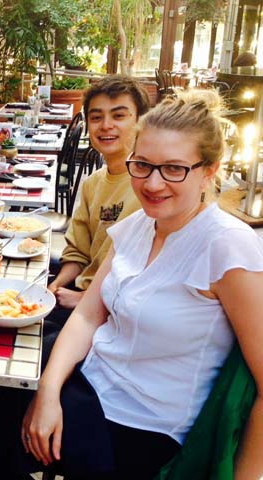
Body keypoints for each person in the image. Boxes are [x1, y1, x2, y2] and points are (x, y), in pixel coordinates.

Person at [22, 89, 263, 479]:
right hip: (90, 384)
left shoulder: (227, 246)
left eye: (173, 169)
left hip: (141, 428)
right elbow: (87, 316)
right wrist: (48, 391)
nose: (152, 183)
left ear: (209, 171)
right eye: (143, 165)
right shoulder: (139, 225)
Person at [48, 76, 150, 324]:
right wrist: (56, 286)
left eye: (119, 116)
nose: (106, 125)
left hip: (116, 315)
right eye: (96, 117)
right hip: (80, 294)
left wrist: (83, 298)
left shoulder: (152, 188)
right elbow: (79, 253)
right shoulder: (92, 183)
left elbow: (147, 277)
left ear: (141, 121)